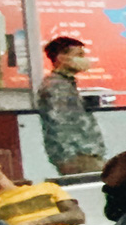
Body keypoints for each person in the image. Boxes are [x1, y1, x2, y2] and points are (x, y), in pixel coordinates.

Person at [38, 36, 106, 174]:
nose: (84, 59)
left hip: (85, 153)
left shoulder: (66, 84)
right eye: (79, 55)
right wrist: (69, 158)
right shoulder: (56, 87)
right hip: (78, 156)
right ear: (61, 58)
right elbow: (60, 126)